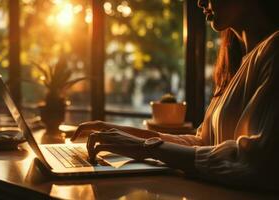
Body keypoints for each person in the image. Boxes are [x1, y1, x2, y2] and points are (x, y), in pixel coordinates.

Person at [71, 0, 279, 190]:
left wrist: (146, 147)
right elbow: (204, 144)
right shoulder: (240, 63)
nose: (199, 2)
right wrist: (123, 134)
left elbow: (258, 165)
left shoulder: (274, 51)